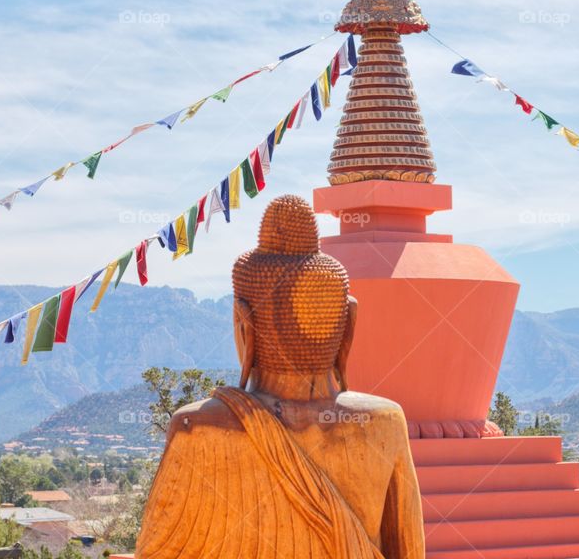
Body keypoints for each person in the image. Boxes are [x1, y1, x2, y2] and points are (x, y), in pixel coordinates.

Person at [135, 195, 424, 558]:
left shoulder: (198, 427)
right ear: (349, 326)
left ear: (245, 326)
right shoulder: (384, 423)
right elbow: (409, 551)